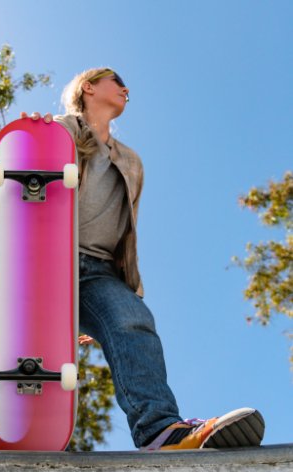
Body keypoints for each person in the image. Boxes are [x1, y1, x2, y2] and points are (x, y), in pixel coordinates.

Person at [21, 67, 265, 450]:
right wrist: (31, 135)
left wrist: (111, 301)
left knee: (134, 320)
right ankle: (33, 437)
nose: (125, 89)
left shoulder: (131, 161)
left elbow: (124, 231)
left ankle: (160, 432)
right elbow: (21, 177)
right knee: (39, 356)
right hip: (50, 258)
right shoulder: (57, 131)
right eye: (116, 82)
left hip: (98, 271)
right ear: (88, 87)